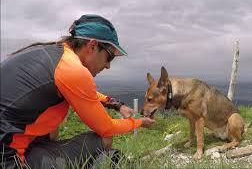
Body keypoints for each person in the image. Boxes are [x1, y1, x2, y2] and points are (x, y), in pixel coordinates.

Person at [0, 14, 155, 168]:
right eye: (110, 57)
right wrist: (139, 122)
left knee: (51, 126)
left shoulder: (57, 56)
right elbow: (106, 127)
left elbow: (87, 94)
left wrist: (117, 105)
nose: (108, 66)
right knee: (105, 138)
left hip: (11, 140)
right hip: (8, 159)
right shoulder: (73, 70)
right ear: (92, 46)